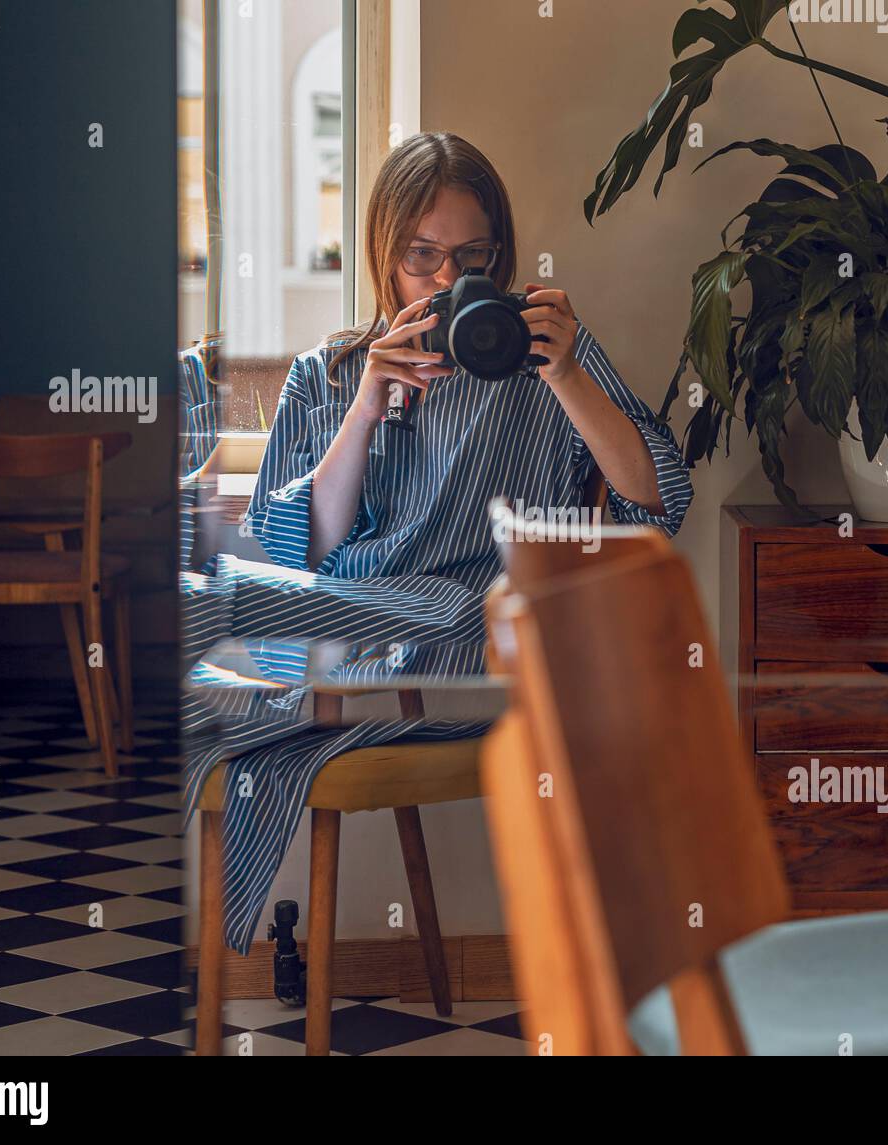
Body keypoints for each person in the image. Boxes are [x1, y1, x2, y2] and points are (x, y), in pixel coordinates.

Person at [182, 132, 694, 956]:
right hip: (335, 625)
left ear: (502, 257)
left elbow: (656, 501)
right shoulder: (332, 370)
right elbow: (293, 550)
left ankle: (225, 668)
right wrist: (367, 404)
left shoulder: (541, 355)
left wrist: (566, 374)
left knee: (237, 609)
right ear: (386, 255)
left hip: (462, 628)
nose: (447, 281)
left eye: (470, 256)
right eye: (423, 256)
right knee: (217, 591)